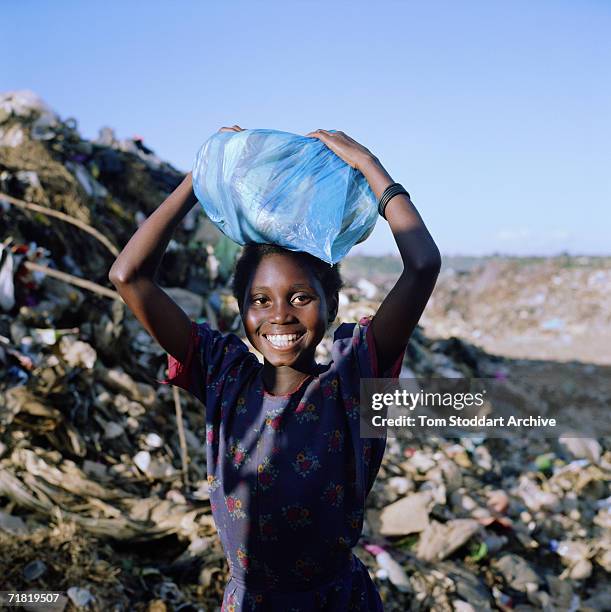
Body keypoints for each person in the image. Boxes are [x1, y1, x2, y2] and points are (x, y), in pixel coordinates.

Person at [109, 125, 441, 611]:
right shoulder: (225, 377)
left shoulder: (353, 384)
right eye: (260, 301)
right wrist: (199, 179)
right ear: (241, 309)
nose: (279, 316)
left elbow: (422, 264)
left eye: (301, 298)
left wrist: (370, 167)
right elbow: (127, 275)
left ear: (331, 303)